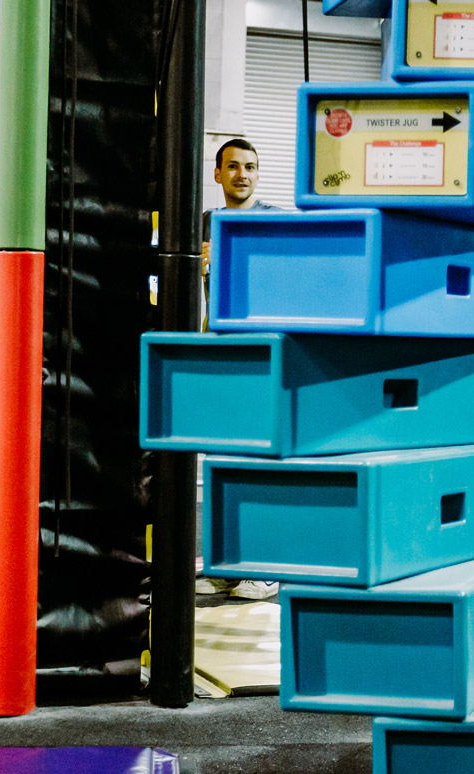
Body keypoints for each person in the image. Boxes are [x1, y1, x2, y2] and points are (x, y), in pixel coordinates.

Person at [196, 138, 282, 601]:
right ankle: (227, 565)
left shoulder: (274, 220)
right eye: (232, 166)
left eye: (250, 166)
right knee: (221, 464)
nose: (242, 174)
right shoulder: (204, 223)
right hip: (219, 354)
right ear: (218, 174)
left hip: (261, 358)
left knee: (257, 464)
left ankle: (266, 568)